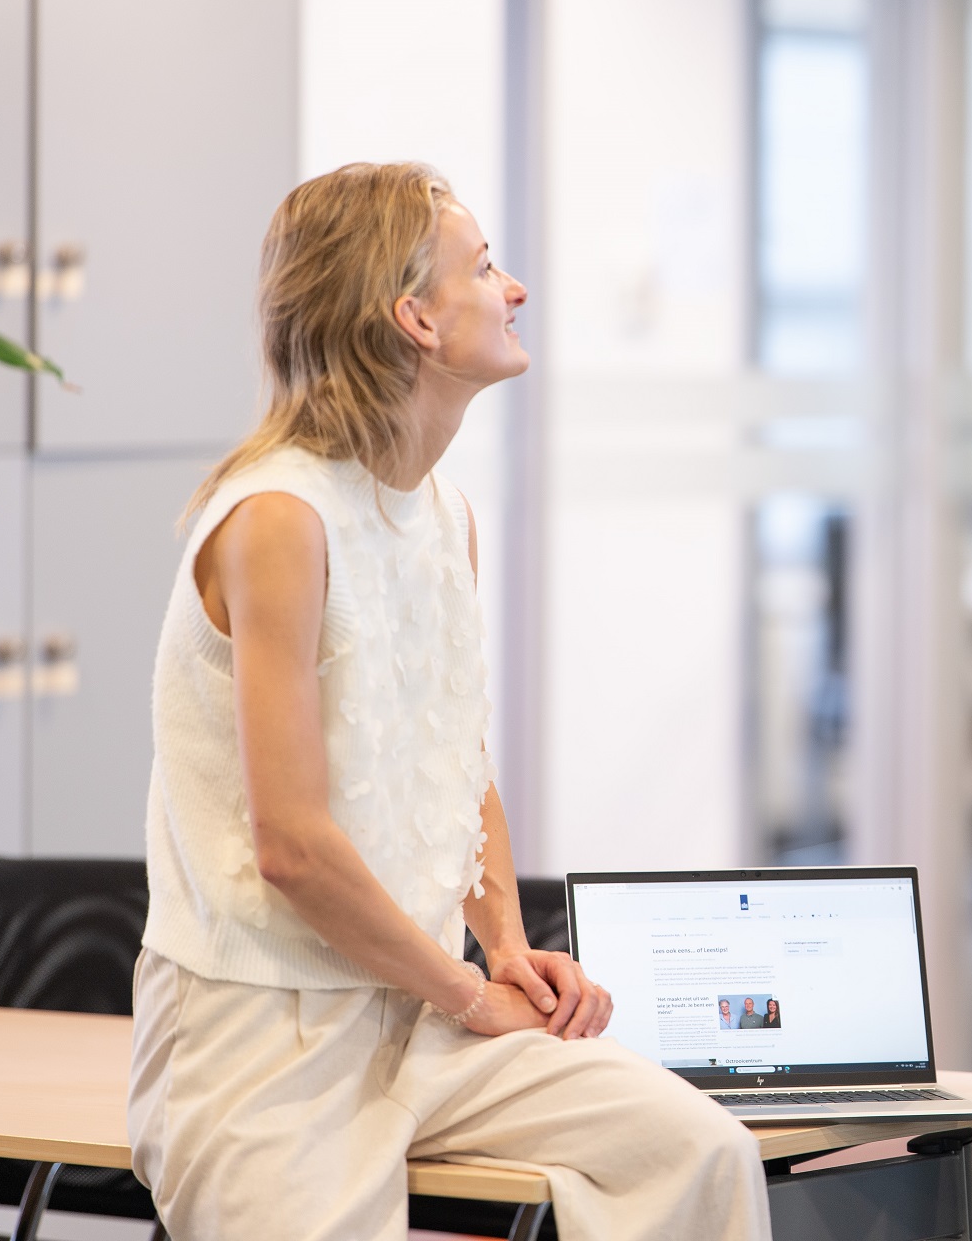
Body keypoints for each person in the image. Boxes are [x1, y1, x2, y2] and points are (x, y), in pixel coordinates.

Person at [130, 162, 772, 1241]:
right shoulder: (279, 517)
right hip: (261, 1042)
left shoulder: (441, 515)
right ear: (414, 317)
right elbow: (291, 844)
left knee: (700, 1154)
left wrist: (506, 944)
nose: (514, 287)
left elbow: (453, 763)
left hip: (417, 1006)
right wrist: (472, 993)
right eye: (484, 267)